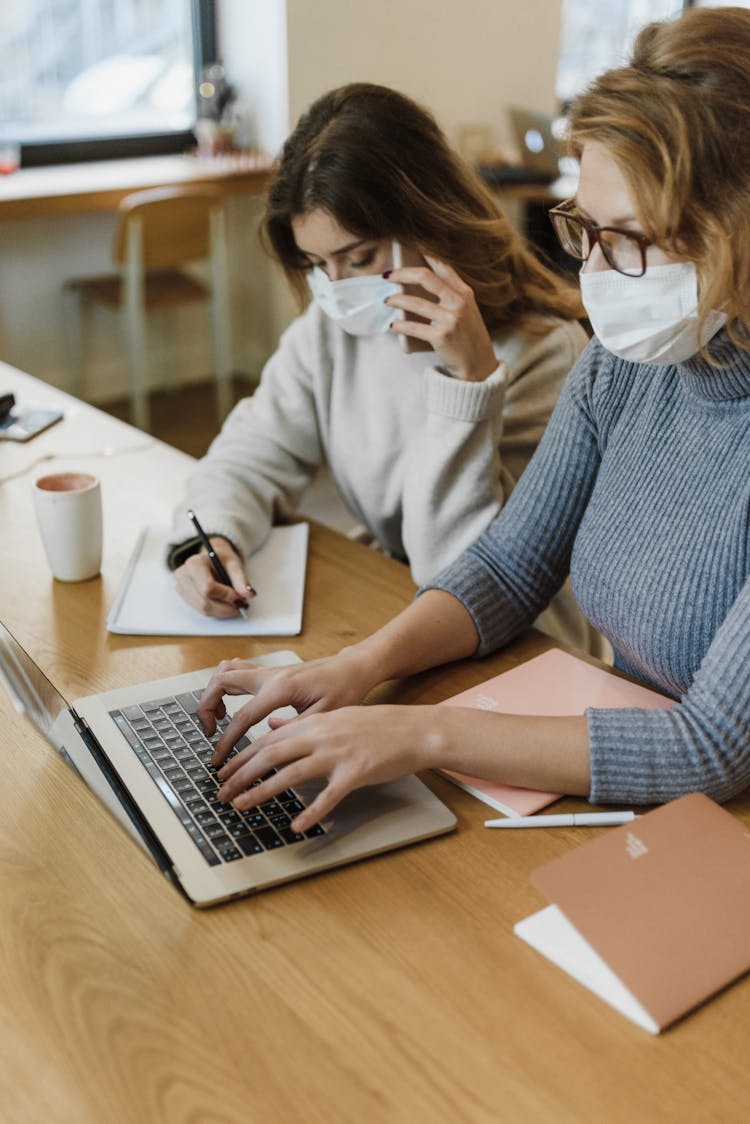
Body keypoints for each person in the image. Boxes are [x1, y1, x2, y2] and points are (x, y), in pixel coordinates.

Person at [192, 5, 750, 835]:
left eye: (625, 239)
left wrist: (420, 731)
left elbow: (715, 746)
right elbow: (507, 566)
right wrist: (357, 668)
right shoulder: (624, 368)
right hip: (625, 778)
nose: (590, 270)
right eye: (583, 230)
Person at [169, 82, 597, 653]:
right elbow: (251, 453)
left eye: (359, 258)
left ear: (429, 222)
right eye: (319, 264)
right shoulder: (334, 332)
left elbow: (466, 577)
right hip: (401, 607)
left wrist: (468, 384)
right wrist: (210, 539)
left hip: (522, 646)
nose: (338, 289)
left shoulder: (545, 352)